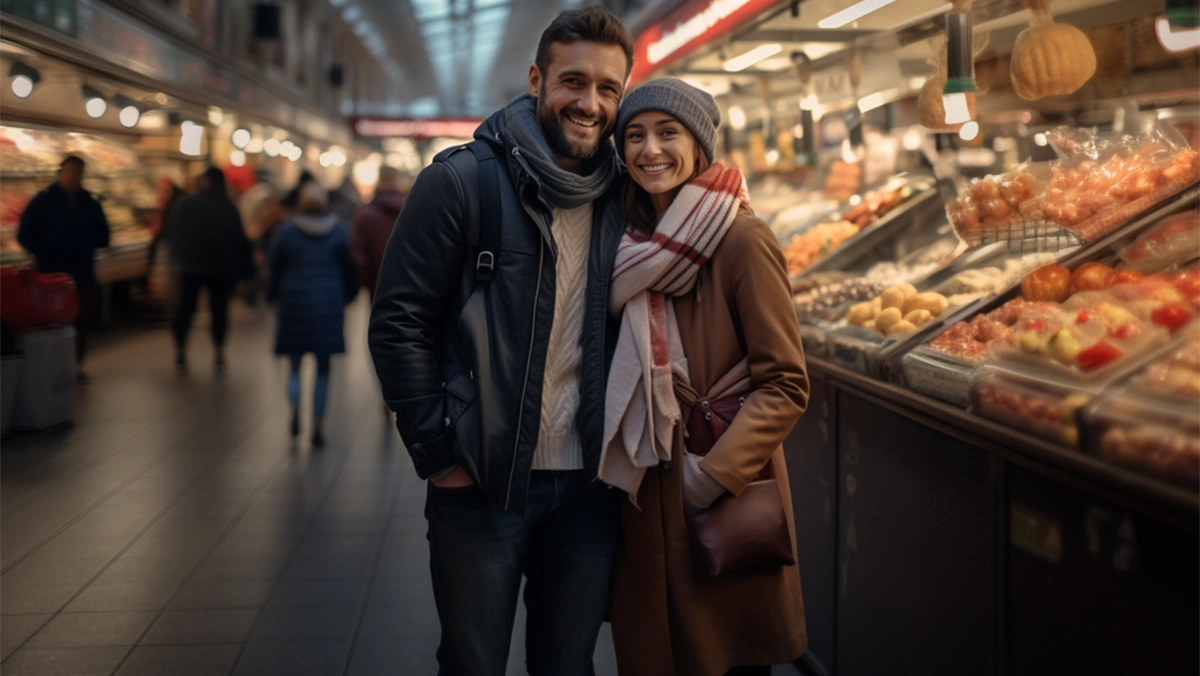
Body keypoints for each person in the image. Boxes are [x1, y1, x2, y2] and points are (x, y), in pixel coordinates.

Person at [367, 6, 633, 675]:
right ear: (537, 79)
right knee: (473, 664)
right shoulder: (459, 182)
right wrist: (440, 456)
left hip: (588, 491)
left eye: (608, 90)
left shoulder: (625, 197)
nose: (590, 103)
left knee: (568, 666)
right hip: (481, 483)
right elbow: (398, 321)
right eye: (574, 82)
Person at [601, 79, 810, 676]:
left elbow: (787, 383)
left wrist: (710, 477)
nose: (650, 150)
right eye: (635, 135)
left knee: (724, 656)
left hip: (715, 485)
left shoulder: (742, 237)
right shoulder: (629, 241)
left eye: (669, 133)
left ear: (699, 145)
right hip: (647, 488)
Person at [268, 181, 357, 448]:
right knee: (323, 370)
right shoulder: (338, 231)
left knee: (294, 366)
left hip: (294, 304)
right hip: (328, 304)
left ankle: (296, 408)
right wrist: (348, 296)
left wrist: (273, 296)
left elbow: (275, 269)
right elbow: (348, 270)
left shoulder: (286, 231)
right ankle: (317, 424)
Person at [17, 155, 110, 382]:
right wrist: (48, 250)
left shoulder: (89, 202)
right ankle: (51, 369)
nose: (74, 177)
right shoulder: (43, 201)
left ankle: (73, 368)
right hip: (51, 277)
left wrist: (84, 244)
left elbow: (104, 236)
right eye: (70, 172)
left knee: (78, 323)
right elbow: (24, 235)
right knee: (52, 324)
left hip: (81, 274)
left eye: (78, 173)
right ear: (60, 172)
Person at [160, 167, 253, 371]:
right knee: (219, 311)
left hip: (189, 266)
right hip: (222, 268)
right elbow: (240, 240)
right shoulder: (229, 207)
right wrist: (245, 270)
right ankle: (219, 351)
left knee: (184, 309)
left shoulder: (186, 203)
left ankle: (181, 350)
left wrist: (177, 257)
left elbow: (170, 231)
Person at [350, 166, 406, 300]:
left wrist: (363, 282)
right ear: (396, 180)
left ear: (379, 179)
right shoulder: (411, 210)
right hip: (408, 281)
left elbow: (358, 257)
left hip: (376, 284)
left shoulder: (366, 215)